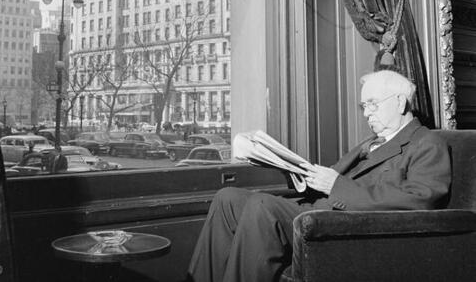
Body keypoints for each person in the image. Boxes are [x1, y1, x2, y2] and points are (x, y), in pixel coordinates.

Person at [187, 70, 451, 282]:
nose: (366, 113)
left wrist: (336, 186)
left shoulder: (427, 142)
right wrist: (298, 173)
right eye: (363, 106)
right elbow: (330, 180)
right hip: (316, 209)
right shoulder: (370, 143)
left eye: (372, 104)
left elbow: (419, 201)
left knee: (262, 205)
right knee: (227, 198)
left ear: (400, 102)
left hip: (345, 226)